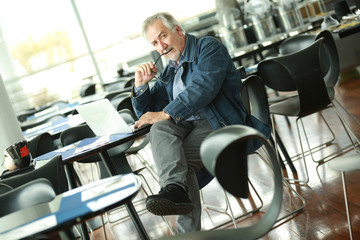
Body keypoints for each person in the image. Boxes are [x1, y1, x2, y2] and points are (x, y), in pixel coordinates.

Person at [131, 12, 271, 233]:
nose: (161, 47)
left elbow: (203, 88)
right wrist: (141, 86)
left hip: (219, 122)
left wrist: (166, 113)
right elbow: (149, 114)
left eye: (163, 36)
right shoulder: (170, 69)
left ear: (178, 30)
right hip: (190, 126)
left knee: (179, 161)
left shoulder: (209, 47)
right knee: (159, 129)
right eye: (155, 43)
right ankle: (175, 189)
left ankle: (188, 232)